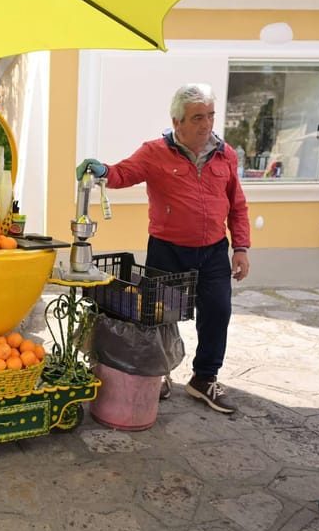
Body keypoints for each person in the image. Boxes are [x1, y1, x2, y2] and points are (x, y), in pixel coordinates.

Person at [77, 83, 250, 414]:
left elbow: (237, 205)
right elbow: (122, 174)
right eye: (198, 117)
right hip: (168, 249)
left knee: (218, 313)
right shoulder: (154, 151)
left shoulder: (224, 154)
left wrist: (240, 247)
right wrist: (102, 171)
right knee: (158, 316)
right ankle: (159, 373)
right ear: (177, 121)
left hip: (213, 251)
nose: (207, 124)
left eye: (210, 115)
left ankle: (204, 378)